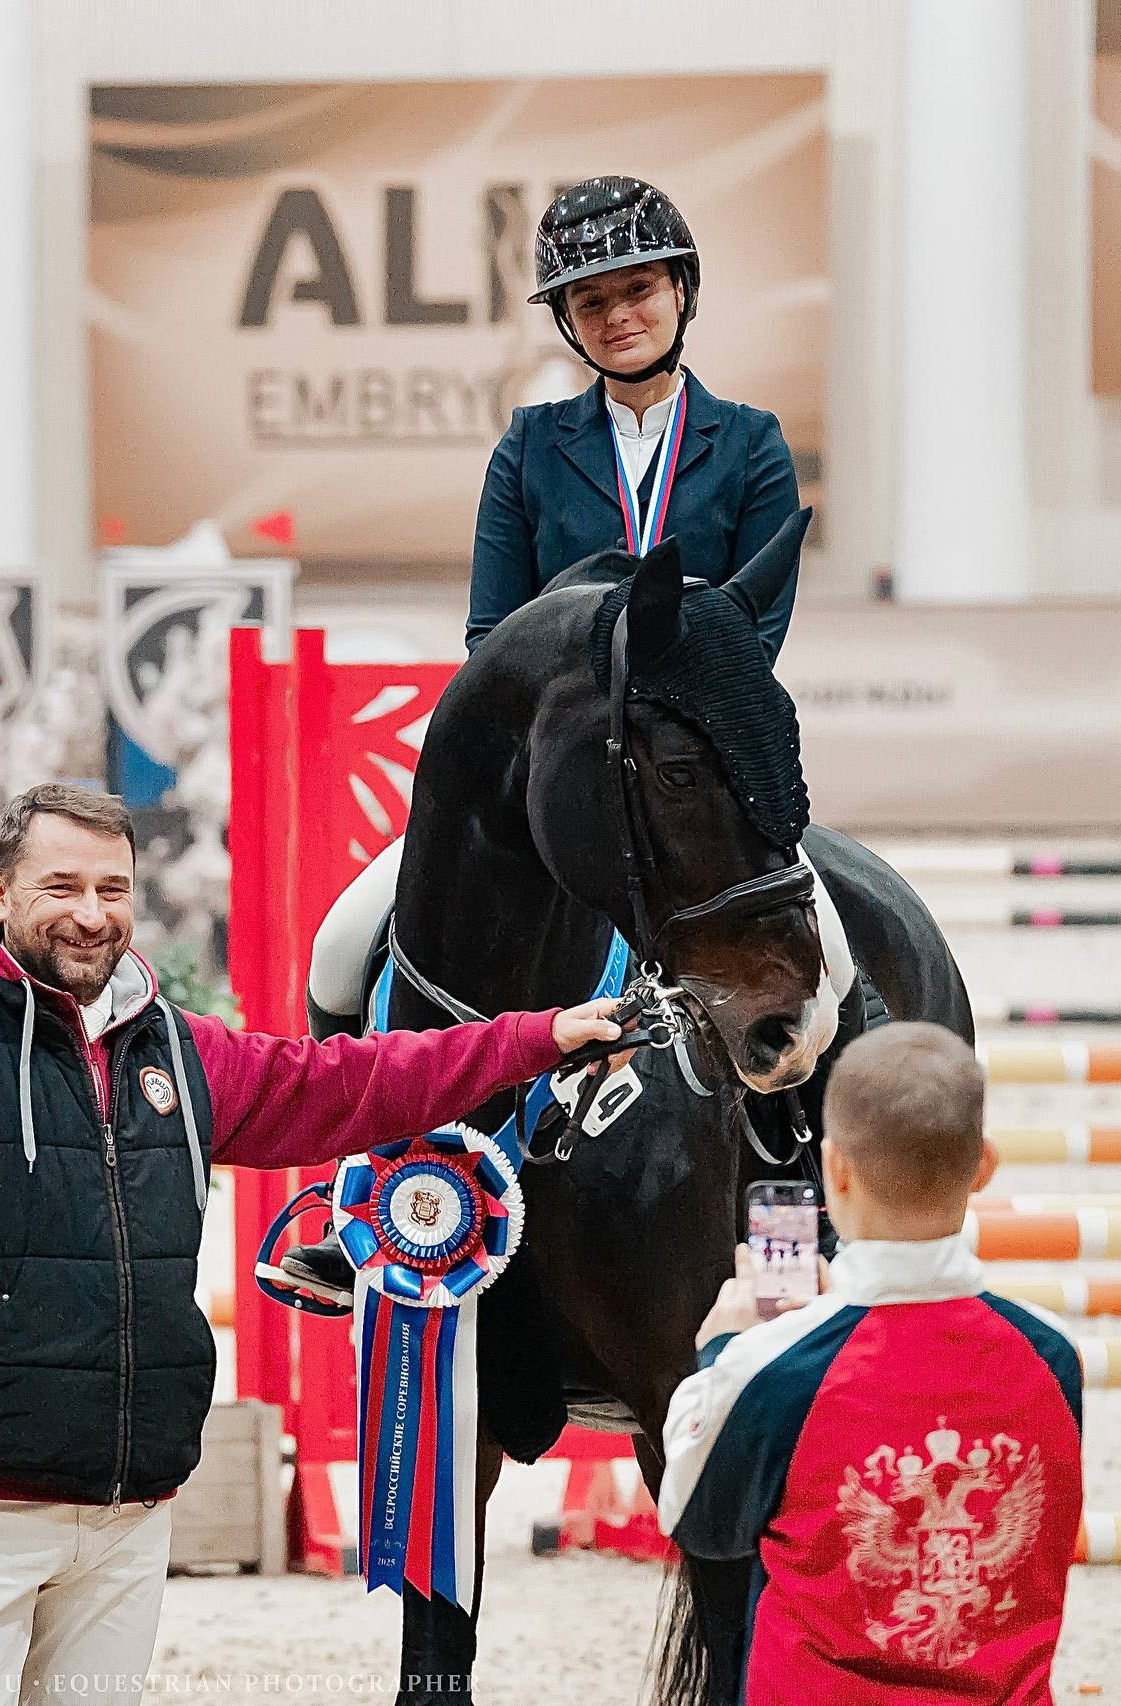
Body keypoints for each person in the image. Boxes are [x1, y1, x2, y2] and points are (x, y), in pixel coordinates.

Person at [0, 783, 623, 1706]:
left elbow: (350, 1083)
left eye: (112, 890)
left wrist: (536, 1038)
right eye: (62, 888)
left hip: (132, 1505)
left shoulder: (182, 1050)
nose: (91, 915)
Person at [280, 175, 823, 1304]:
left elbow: (747, 640)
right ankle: (359, 1196)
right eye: (591, 303)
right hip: (553, 778)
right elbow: (490, 634)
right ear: (566, 323)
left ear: (680, 292)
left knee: (820, 963)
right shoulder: (530, 450)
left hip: (695, 780)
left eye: (637, 291)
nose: (618, 316)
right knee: (343, 945)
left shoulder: (752, 447)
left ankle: (792, 1188)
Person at [656, 1024, 1084, 1704]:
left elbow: (700, 1522)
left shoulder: (774, 1365)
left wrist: (723, 1352)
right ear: (985, 1166)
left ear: (837, 1172)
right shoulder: (1054, 1358)